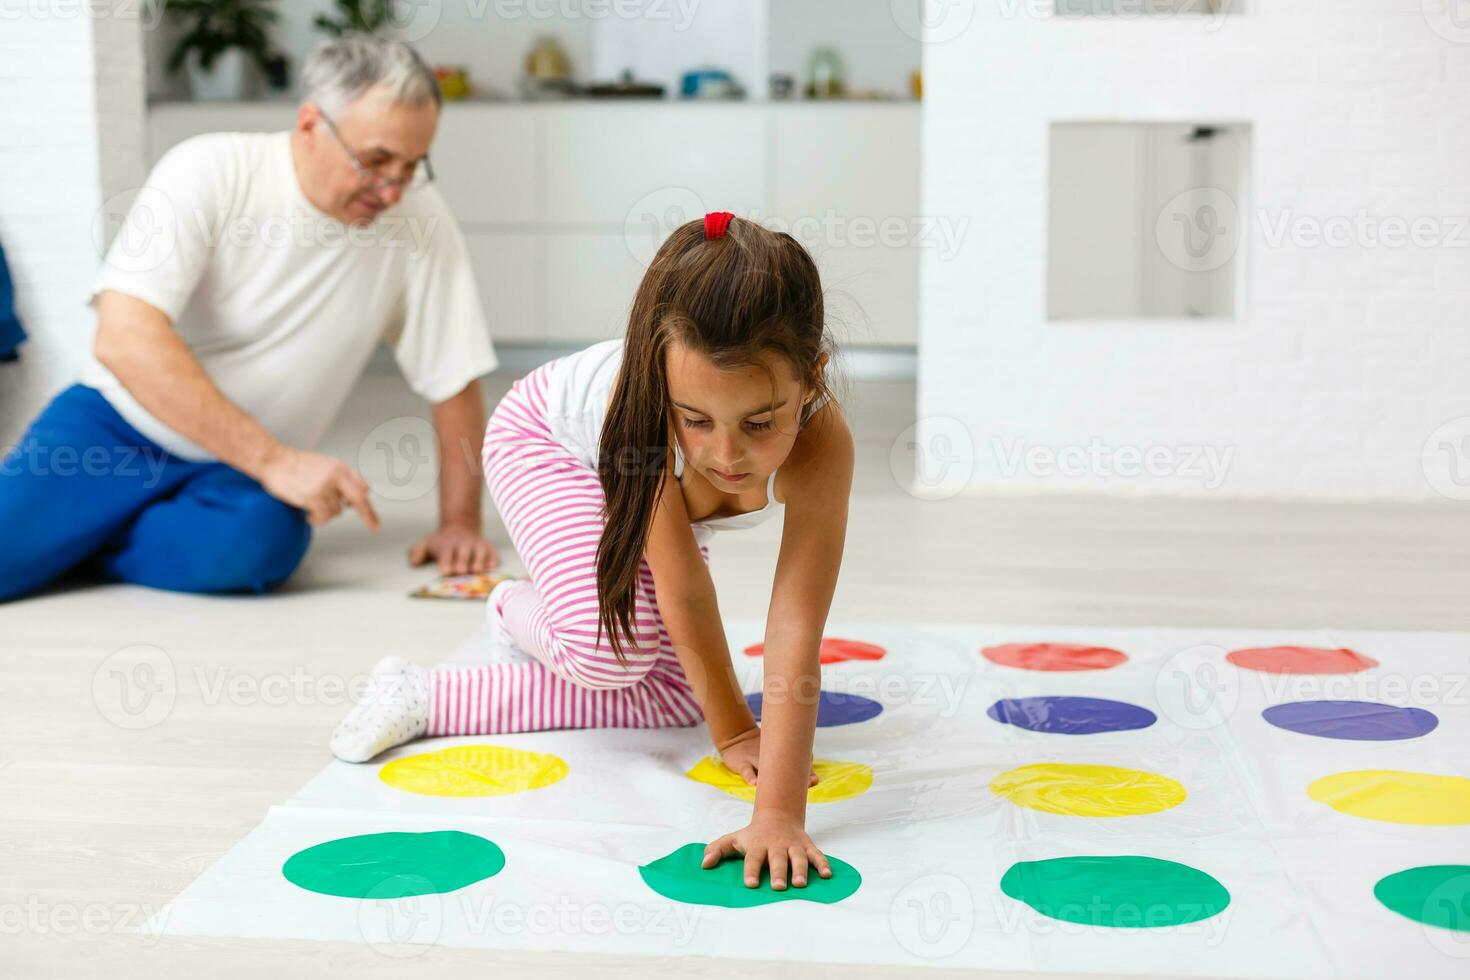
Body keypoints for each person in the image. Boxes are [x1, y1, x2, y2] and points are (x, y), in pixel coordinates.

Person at [331, 213, 854, 892]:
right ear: (663, 382)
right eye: (695, 421)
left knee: (674, 703)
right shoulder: (637, 413)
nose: (725, 454)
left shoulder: (824, 446)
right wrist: (733, 733)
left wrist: (774, 803)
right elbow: (684, 586)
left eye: (759, 424)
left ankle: (470, 671)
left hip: (631, 492)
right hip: (545, 447)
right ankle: (501, 620)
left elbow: (795, 622)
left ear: (812, 379)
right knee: (611, 654)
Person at [0, 34, 500, 602]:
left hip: (235, 479)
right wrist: (277, 461)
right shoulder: (211, 168)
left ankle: (82, 540)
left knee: (266, 541)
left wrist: (460, 524)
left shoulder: (418, 219)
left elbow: (455, 375)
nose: (393, 188)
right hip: (114, 433)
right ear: (311, 124)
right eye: (377, 160)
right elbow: (123, 336)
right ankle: (88, 531)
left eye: (412, 166)